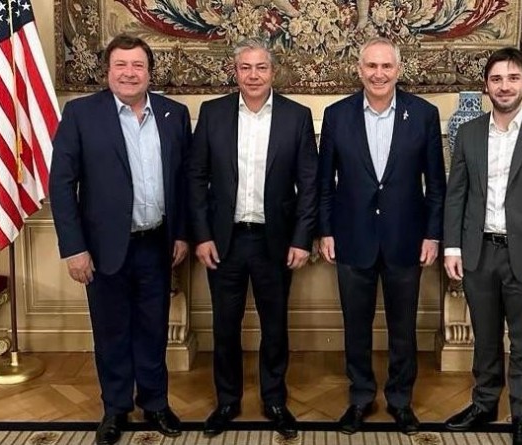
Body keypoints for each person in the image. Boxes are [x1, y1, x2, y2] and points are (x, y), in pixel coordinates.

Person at [50, 35, 191, 445]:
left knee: (153, 328)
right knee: (111, 331)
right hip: (102, 248)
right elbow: (62, 185)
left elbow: (185, 181)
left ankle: (155, 403)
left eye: (138, 65)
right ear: (107, 71)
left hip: (158, 244)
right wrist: (74, 248)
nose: (130, 73)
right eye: (121, 65)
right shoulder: (81, 114)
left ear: (150, 72)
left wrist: (182, 233)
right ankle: (115, 408)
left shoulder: (173, 114)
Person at [442, 47, 522, 445]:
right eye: (496, 79)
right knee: (484, 338)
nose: (504, 86)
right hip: (478, 254)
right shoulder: (468, 134)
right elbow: (456, 195)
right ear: (486, 86)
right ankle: (484, 405)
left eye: (513, 78)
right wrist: (452, 248)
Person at [189, 38, 318, 440]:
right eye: (245, 67)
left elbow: (309, 185)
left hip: (274, 242)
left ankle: (274, 399)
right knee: (224, 327)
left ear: (273, 72)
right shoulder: (212, 113)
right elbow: (196, 179)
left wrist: (302, 239)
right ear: (235, 72)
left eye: (261, 67)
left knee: (274, 327)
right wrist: (202, 236)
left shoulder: (297, 117)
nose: (253, 75)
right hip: (224, 242)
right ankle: (227, 401)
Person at [318, 37, 446, 435]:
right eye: (371, 66)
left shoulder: (423, 115)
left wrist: (432, 235)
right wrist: (325, 231)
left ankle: (400, 400)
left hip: (406, 239)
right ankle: (360, 397)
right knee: (355, 326)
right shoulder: (336, 115)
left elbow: (436, 186)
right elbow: (324, 184)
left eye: (386, 66)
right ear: (359, 70)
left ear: (398, 70)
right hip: (351, 237)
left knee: (403, 328)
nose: (378, 74)